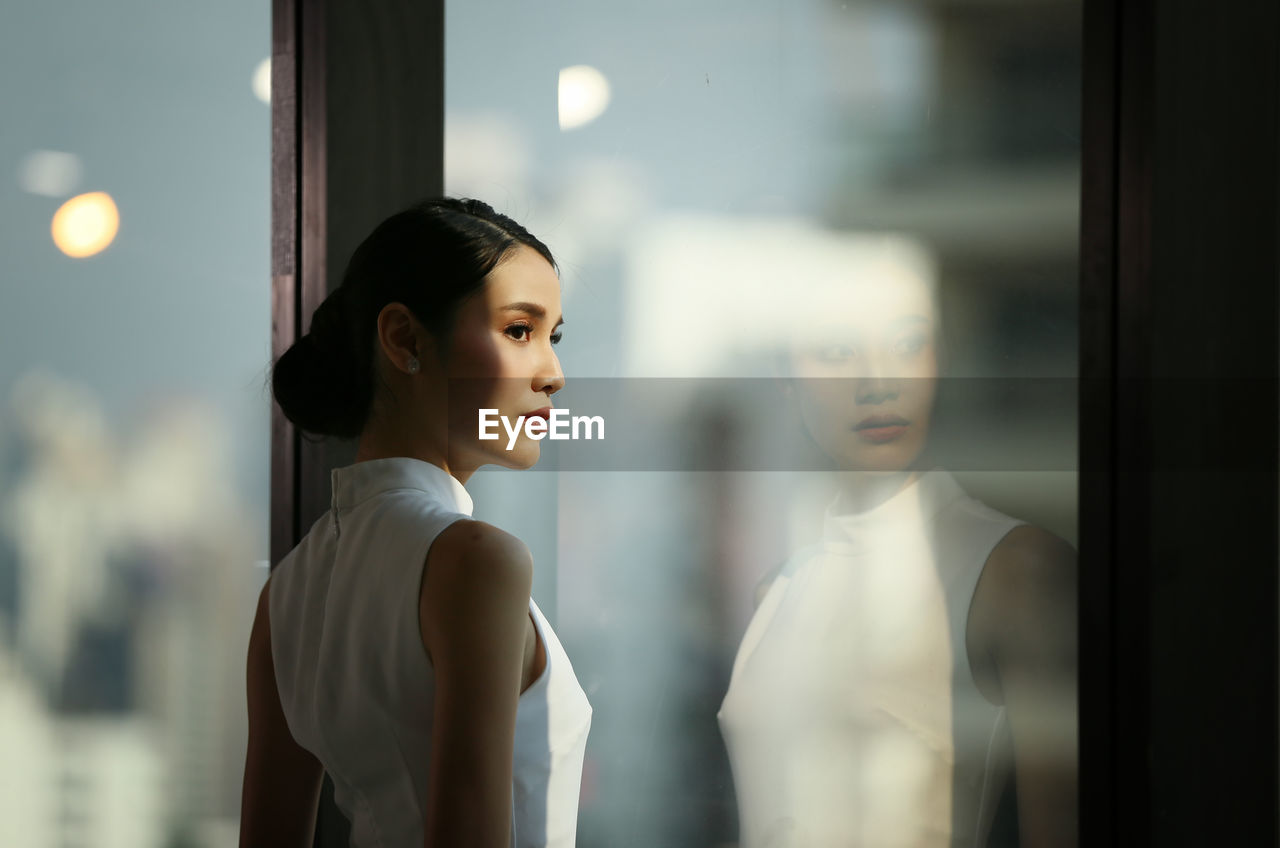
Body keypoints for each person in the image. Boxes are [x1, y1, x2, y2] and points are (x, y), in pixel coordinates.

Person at [240, 198, 592, 848]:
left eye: (555, 336)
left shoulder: (286, 590)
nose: (553, 375)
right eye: (520, 330)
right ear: (404, 338)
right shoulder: (475, 559)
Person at [717, 238, 1077, 847]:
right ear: (787, 376)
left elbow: (1063, 824)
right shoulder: (776, 589)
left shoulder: (1013, 569)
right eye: (836, 351)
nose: (877, 382)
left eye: (908, 343)